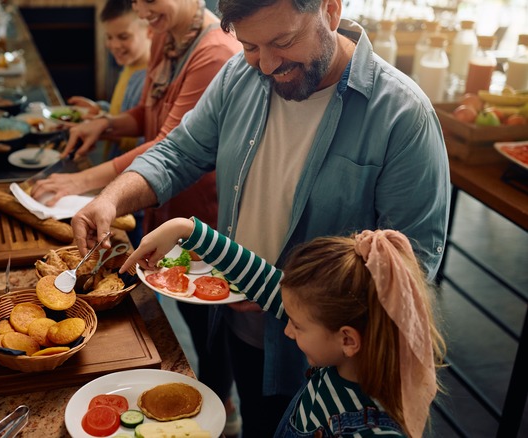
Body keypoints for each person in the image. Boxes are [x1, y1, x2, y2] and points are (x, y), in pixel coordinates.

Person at [67, 0, 450, 434]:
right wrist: (111, 198)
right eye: (250, 46)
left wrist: (289, 296)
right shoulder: (238, 75)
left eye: (283, 42)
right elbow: (178, 153)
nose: (266, 65)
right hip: (241, 326)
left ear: (330, 9)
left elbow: (410, 271)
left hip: (335, 363)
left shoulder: (402, 116)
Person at [31, 0, 243, 432]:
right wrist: (106, 124)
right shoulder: (165, 34)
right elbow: (151, 117)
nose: (143, 10)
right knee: (183, 317)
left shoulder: (216, 52)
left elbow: (172, 144)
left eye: (150, 3)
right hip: (161, 207)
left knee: (210, 323)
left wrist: (82, 182)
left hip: (202, 215)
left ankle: (221, 407)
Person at [120, 217, 446, 438]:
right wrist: (185, 228)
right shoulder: (342, 355)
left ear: (348, 339)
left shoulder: (371, 431)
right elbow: (262, 279)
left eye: (298, 326)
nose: (288, 331)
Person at [66, 0, 151, 162]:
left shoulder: (149, 78)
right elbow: (120, 112)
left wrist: (102, 128)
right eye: (109, 37)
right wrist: (98, 110)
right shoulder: (128, 66)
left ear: (150, 30)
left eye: (123, 37)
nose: (114, 45)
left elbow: (141, 142)